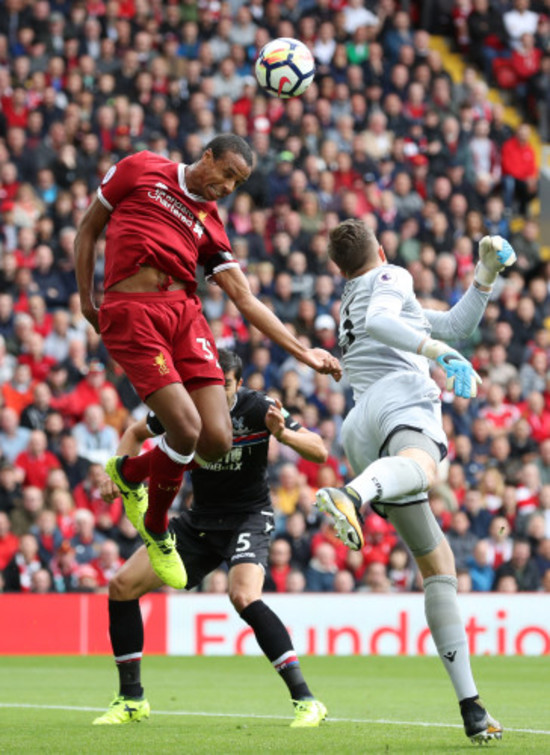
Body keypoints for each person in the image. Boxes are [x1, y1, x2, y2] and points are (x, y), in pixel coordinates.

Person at [75, 133, 341, 590]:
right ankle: (158, 529)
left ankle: (130, 471)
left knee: (217, 440)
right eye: (227, 173)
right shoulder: (141, 168)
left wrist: (303, 352)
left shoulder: (210, 224)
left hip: (185, 316)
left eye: (238, 182)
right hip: (133, 312)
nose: (228, 186)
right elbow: (88, 230)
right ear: (207, 156)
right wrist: (86, 300)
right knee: (185, 428)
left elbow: (245, 298)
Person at [315, 220, 516, 743]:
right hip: (398, 394)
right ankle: (349, 495)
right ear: (382, 251)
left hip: (360, 426)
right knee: (427, 465)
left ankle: (471, 706)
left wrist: (485, 276)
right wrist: (435, 357)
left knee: (437, 564)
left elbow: (451, 325)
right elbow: (405, 330)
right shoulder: (389, 277)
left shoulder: (354, 295)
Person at [93, 350, 328, 728]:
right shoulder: (185, 408)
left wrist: (282, 433)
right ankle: (131, 699)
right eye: (209, 385)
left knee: (243, 596)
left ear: (238, 382)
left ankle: (306, 701)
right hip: (199, 521)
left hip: (248, 517)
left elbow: (320, 450)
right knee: (121, 586)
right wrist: (116, 474)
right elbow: (135, 432)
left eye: (225, 386)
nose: (215, 394)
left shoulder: (259, 408)